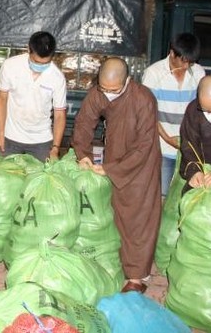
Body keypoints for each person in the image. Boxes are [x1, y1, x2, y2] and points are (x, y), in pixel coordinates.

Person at [72, 57, 162, 294]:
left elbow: (144, 145)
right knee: (114, 213)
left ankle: (138, 275)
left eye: (114, 90)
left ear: (128, 81)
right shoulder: (98, 93)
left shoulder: (143, 99)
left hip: (141, 164)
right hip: (114, 154)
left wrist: (112, 169)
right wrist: (83, 154)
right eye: (104, 89)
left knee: (139, 219)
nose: (108, 94)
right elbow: (83, 124)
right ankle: (116, 264)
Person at [0, 32, 67, 161]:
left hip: (42, 139)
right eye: (36, 61)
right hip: (10, 136)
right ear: (28, 49)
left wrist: (55, 148)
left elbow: (59, 114)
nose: (40, 66)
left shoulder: (57, 77)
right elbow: (2, 99)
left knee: (44, 178)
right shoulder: (10, 66)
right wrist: (0, 135)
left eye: (45, 63)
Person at [141, 33, 206, 195]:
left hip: (190, 146)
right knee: (161, 194)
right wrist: (167, 138)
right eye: (183, 61)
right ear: (172, 53)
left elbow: (201, 110)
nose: (186, 67)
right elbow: (149, 113)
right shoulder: (153, 73)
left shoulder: (198, 73)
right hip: (162, 145)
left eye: (190, 63)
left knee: (186, 194)